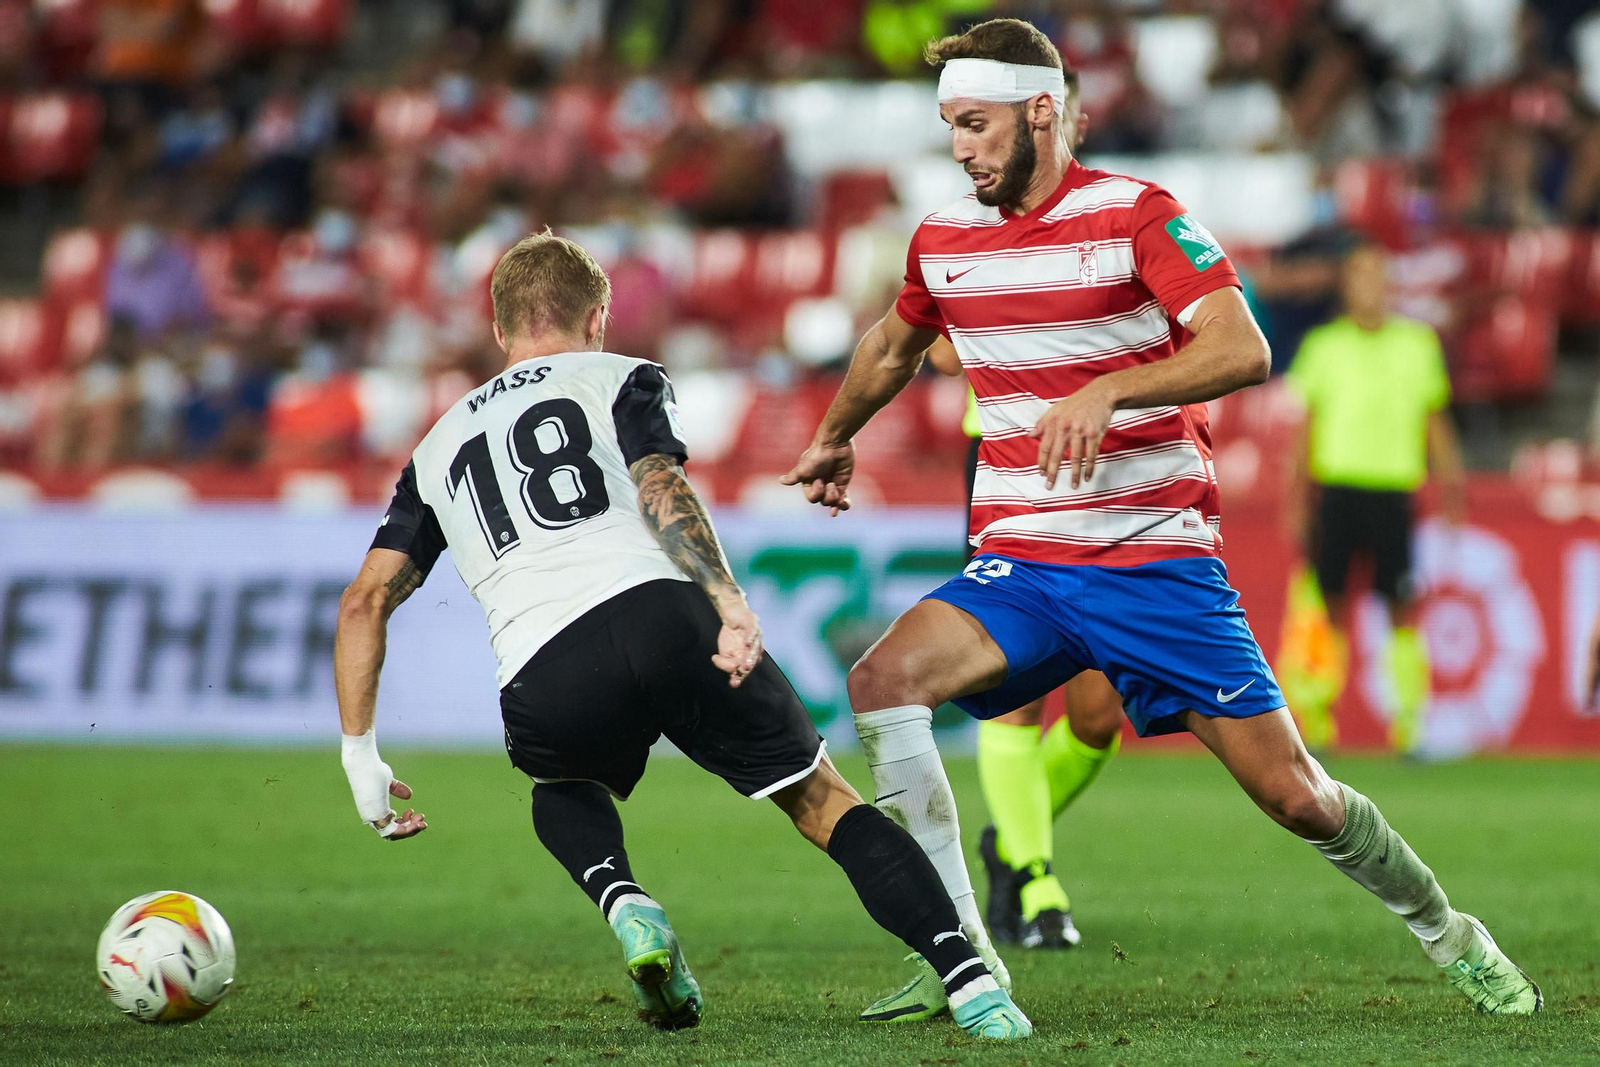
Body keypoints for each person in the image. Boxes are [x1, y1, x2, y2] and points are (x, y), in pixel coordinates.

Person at [781, 17, 1541, 1023]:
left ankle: (1449, 928)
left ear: (1039, 110)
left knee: (1297, 796)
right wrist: (836, 435)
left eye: (973, 123)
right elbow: (889, 345)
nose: (958, 145)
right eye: (948, 126)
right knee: (881, 679)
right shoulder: (943, 239)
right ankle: (958, 950)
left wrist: (1112, 389)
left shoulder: (1138, 215)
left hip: (1154, 568)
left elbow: (1243, 346)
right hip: (1026, 564)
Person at [331, 231, 1030, 1040]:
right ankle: (971, 980)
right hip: (664, 613)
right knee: (819, 798)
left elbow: (364, 599)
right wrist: (727, 599)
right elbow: (658, 482)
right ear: (596, 318)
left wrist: (360, 754)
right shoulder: (621, 375)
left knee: (562, 791)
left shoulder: (435, 446)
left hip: (544, 665)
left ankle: (626, 900)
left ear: (499, 331)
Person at [930, 339, 1121, 952]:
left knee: (1098, 716)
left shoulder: (1122, 241)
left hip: (1109, 462)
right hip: (1009, 459)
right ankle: (1038, 884)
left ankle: (1007, 841)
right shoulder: (973, 241)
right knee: (1018, 689)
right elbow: (941, 353)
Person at [1281, 243, 1467, 754]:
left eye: (1379, 277)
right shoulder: (1323, 346)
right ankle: (1315, 720)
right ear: (1347, 287)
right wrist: (1296, 497)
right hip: (1337, 490)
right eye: (1361, 277)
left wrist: (1452, 486)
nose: (1371, 288)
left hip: (1393, 492)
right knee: (1328, 605)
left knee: (1402, 606)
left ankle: (1409, 725)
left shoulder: (1417, 345)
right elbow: (1306, 429)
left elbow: (1435, 422)